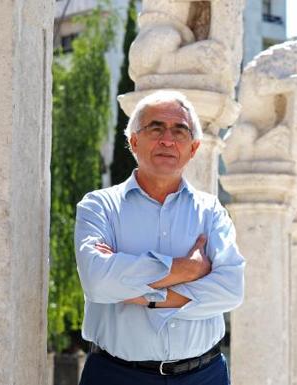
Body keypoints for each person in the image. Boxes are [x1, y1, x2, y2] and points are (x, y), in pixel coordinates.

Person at [74, 90, 245, 385]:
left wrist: (148, 296)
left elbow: (230, 290)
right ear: (134, 141)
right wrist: (186, 269)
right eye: (156, 128)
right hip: (115, 375)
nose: (168, 139)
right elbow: (97, 282)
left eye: (179, 131)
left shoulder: (211, 211)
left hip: (204, 376)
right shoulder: (99, 206)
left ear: (193, 148)